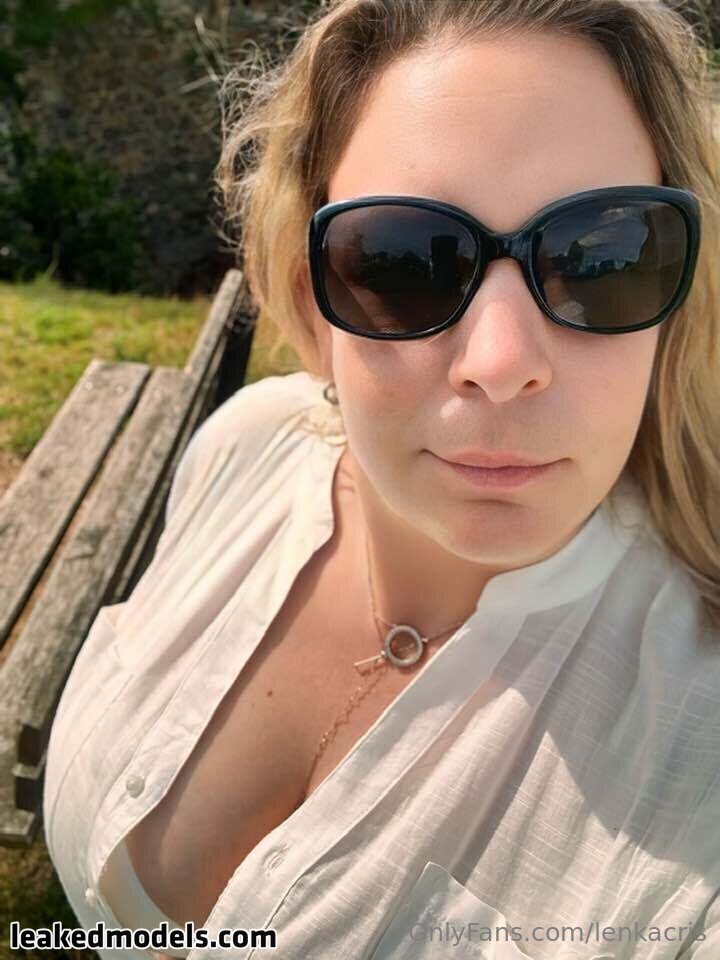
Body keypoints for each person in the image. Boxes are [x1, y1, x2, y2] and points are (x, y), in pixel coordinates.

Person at [43, 1, 720, 958]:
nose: (501, 362)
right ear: (308, 291)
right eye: (405, 262)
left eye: (604, 258)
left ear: (679, 299)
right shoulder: (245, 448)